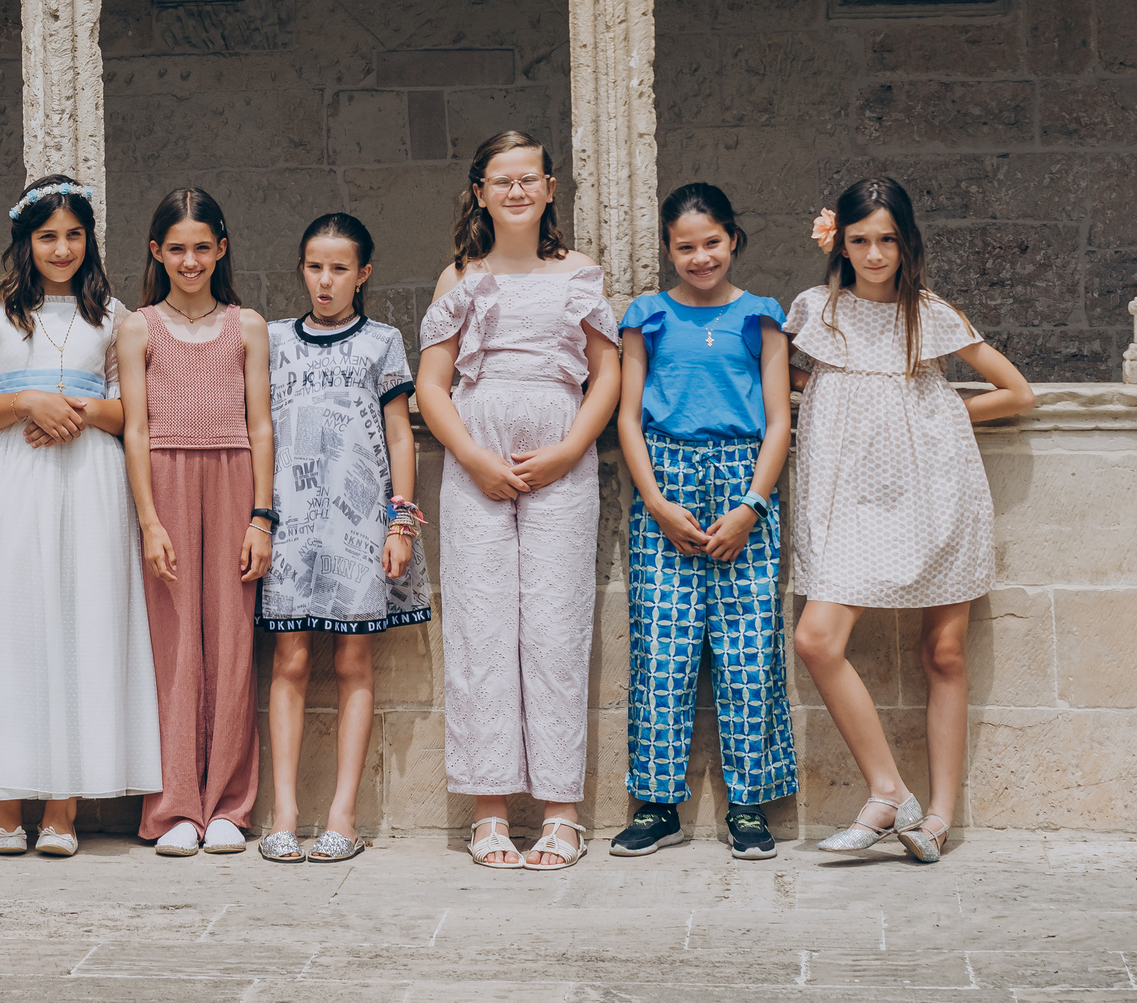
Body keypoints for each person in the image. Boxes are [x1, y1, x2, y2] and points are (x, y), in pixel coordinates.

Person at [788, 176, 1036, 863]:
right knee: (816, 639)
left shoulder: (928, 314)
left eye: (886, 240)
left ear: (906, 243)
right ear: (839, 241)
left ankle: (938, 820)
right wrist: (824, 389)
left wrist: (938, 411)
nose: (873, 254)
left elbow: (1018, 393)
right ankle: (889, 788)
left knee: (945, 654)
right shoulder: (815, 311)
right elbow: (777, 378)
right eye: (860, 240)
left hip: (934, 490)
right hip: (846, 502)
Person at [417, 131, 621, 871]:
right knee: (481, 629)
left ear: (550, 187)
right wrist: (471, 456)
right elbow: (432, 385)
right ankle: (491, 807)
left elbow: (606, 375)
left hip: (559, 461)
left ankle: (562, 811)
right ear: (479, 191)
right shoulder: (460, 279)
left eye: (528, 178)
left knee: (556, 628)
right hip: (477, 461)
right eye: (500, 180)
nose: (515, 191)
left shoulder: (580, 277)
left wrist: (572, 450)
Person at [0, 175, 160, 856]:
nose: (62, 248)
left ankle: (64, 808)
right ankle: (6, 804)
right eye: (48, 236)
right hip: (16, 476)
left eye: (74, 235)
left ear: (89, 240)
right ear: (26, 240)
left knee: (79, 622)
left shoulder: (117, 315)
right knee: (17, 625)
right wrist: (27, 404)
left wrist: (74, 413)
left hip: (90, 479)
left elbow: (132, 412)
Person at [610, 184, 794, 862]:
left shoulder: (762, 316)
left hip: (745, 479)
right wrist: (654, 500)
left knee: (749, 647)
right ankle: (658, 805)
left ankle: (748, 805)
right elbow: (628, 417)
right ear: (668, 248)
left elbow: (779, 421)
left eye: (711, 242)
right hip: (665, 478)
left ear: (733, 240)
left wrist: (752, 505)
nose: (699, 257)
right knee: (662, 647)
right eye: (685, 246)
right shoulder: (647, 316)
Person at [254, 212, 429, 864]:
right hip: (291, 525)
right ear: (301, 269)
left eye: (339, 268)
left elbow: (402, 434)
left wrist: (400, 519)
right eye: (314, 267)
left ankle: (342, 815)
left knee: (355, 662)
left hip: (358, 525)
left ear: (363, 274)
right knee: (291, 662)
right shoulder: (271, 340)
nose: (325, 281)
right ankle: (285, 813)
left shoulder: (382, 341)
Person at [120, 187, 272, 858]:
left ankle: (230, 806)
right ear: (156, 251)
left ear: (222, 249)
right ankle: (176, 804)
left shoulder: (248, 326)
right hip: (166, 483)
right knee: (174, 647)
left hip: (234, 479)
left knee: (233, 644)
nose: (190, 260)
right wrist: (149, 521)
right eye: (177, 248)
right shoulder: (138, 327)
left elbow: (262, 424)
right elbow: (133, 428)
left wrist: (262, 517)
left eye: (201, 248)